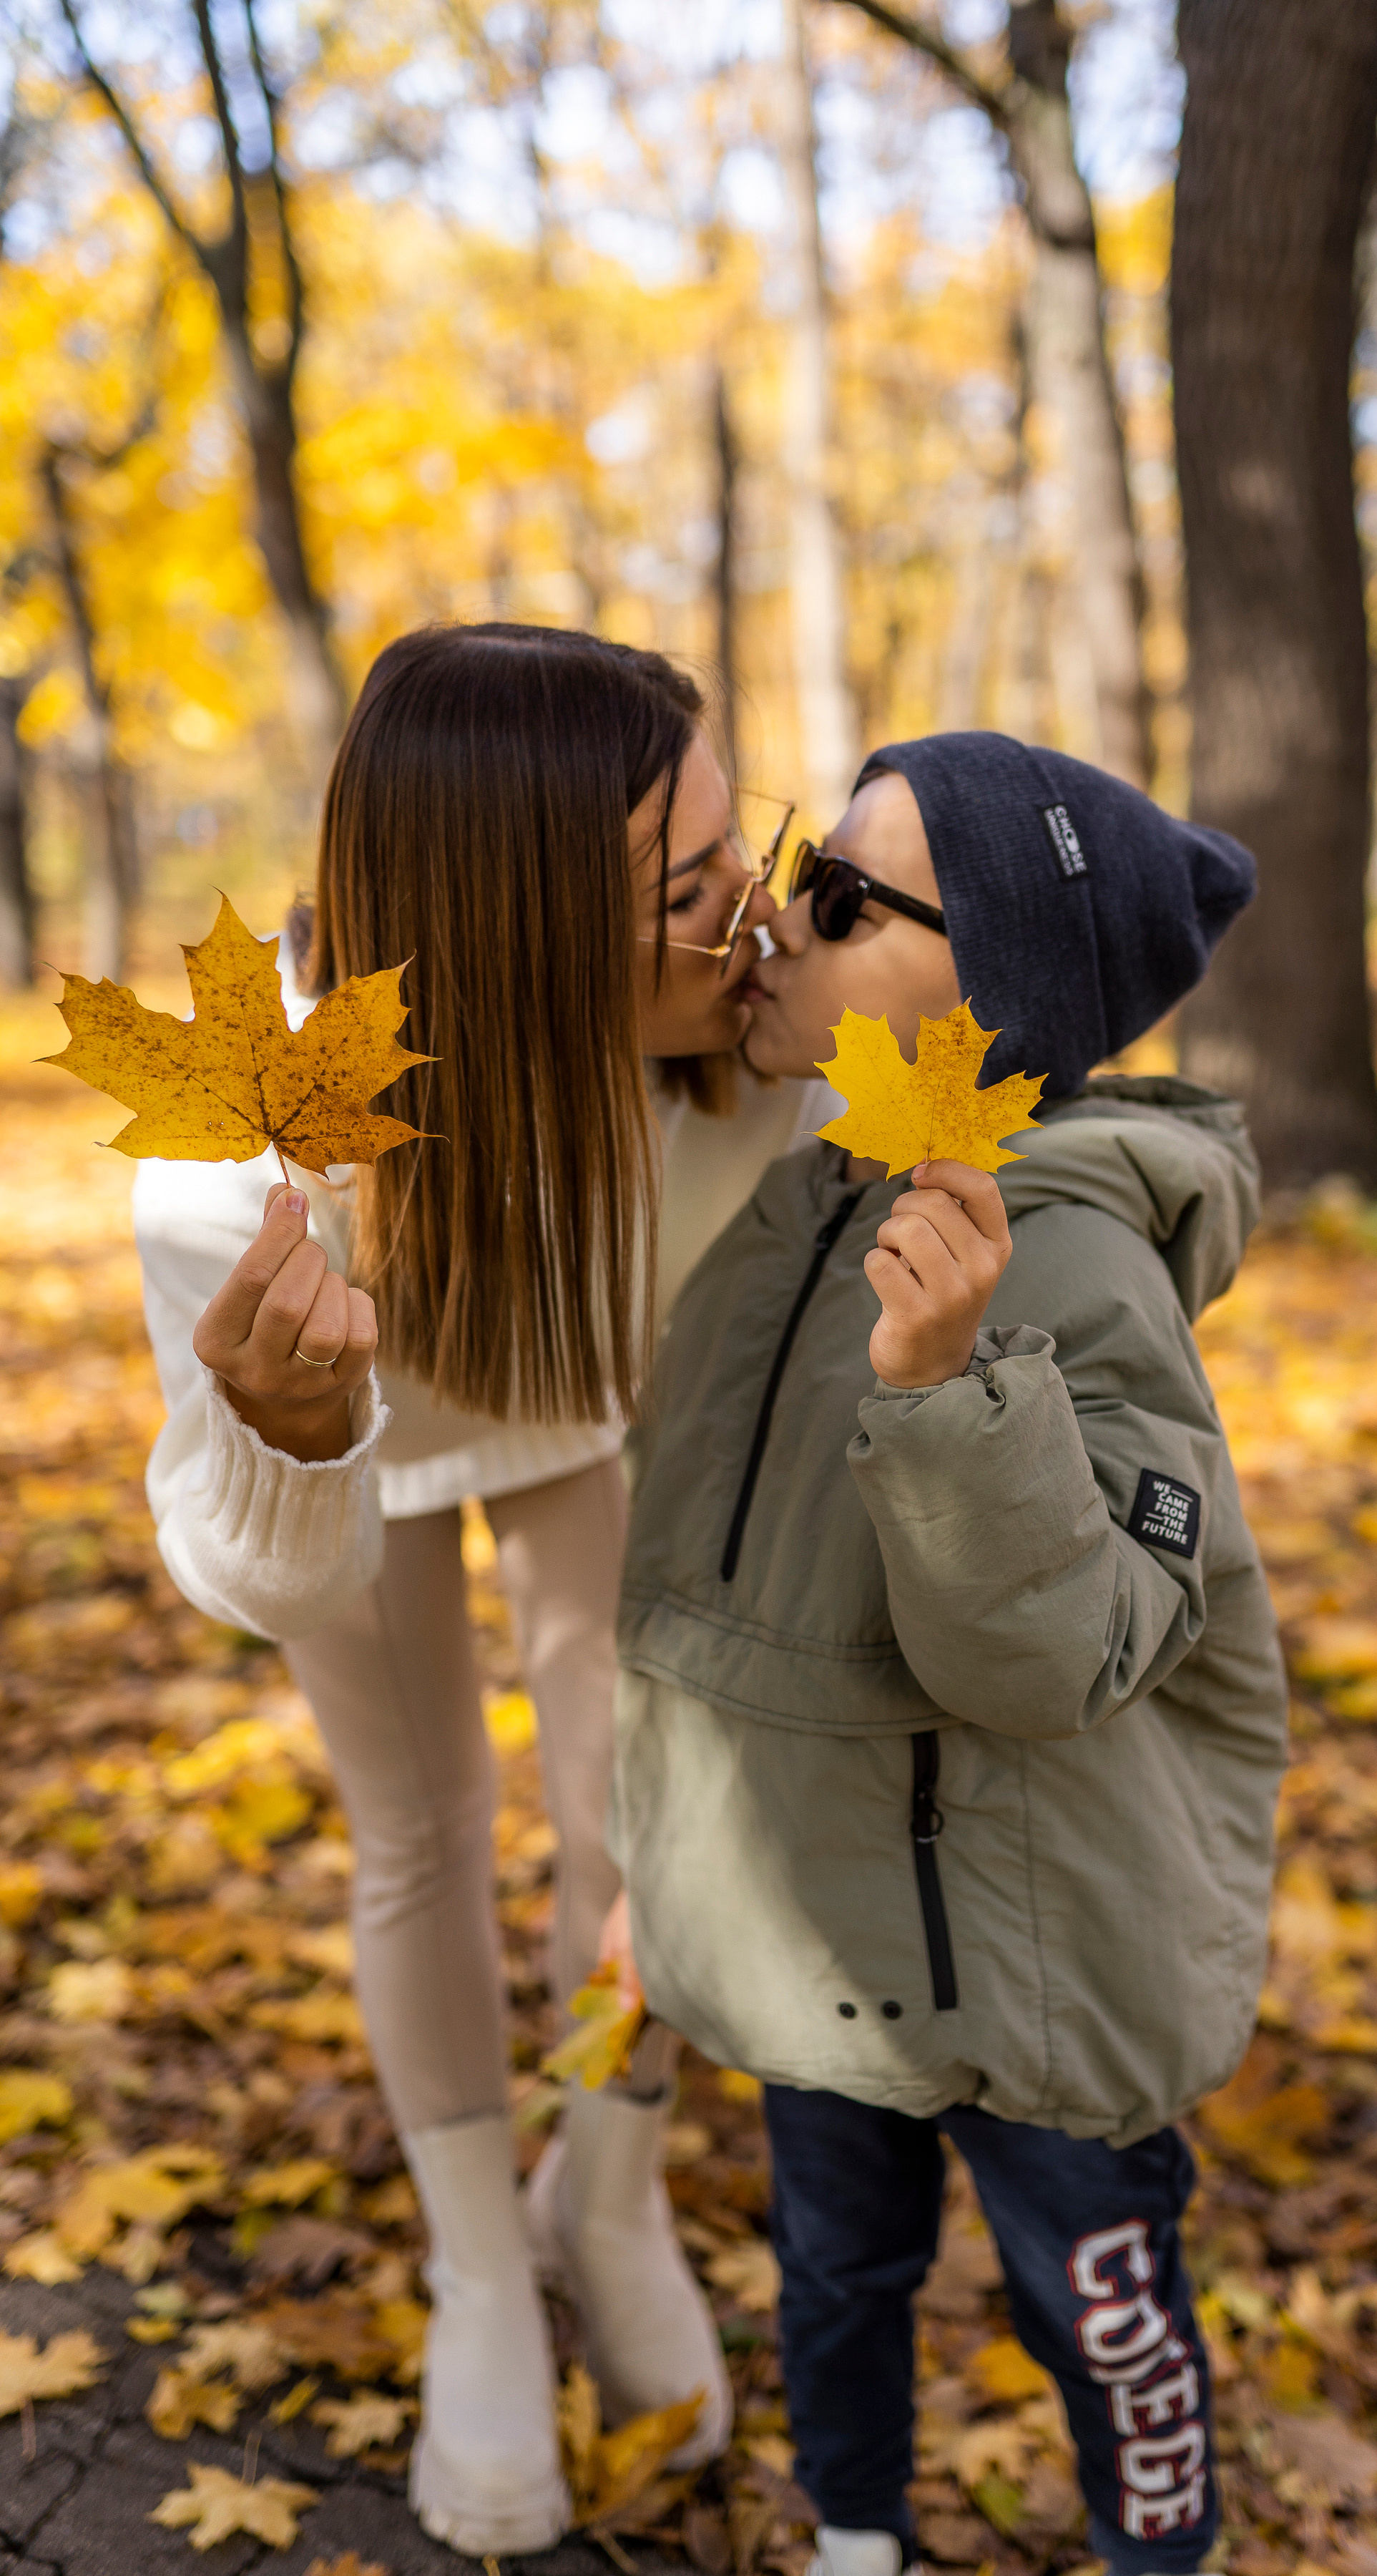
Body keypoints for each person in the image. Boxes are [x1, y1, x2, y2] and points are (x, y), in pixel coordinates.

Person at [133, 624, 815, 2560]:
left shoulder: (722, 1061)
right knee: (422, 1823)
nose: (755, 913)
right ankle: (475, 2269)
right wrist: (284, 1428)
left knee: (642, 1812)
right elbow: (251, 1570)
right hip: (357, 1404)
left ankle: (600, 2191)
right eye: (696, 889)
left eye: (734, 838)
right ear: (527, 932)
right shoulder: (239, 1170)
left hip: (574, 1381)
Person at [605, 733, 1290, 2576]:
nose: (771, 919)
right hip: (820, 1936)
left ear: (991, 996)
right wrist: (658, 1873)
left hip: (1041, 1957)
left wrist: (951, 1396)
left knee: (1103, 2303)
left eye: (837, 900)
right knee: (833, 2270)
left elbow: (1067, 1654)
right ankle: (855, 2542)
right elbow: (692, 1601)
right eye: (791, 868)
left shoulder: (1065, 1260)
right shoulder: (787, 1212)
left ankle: (1161, 2551)